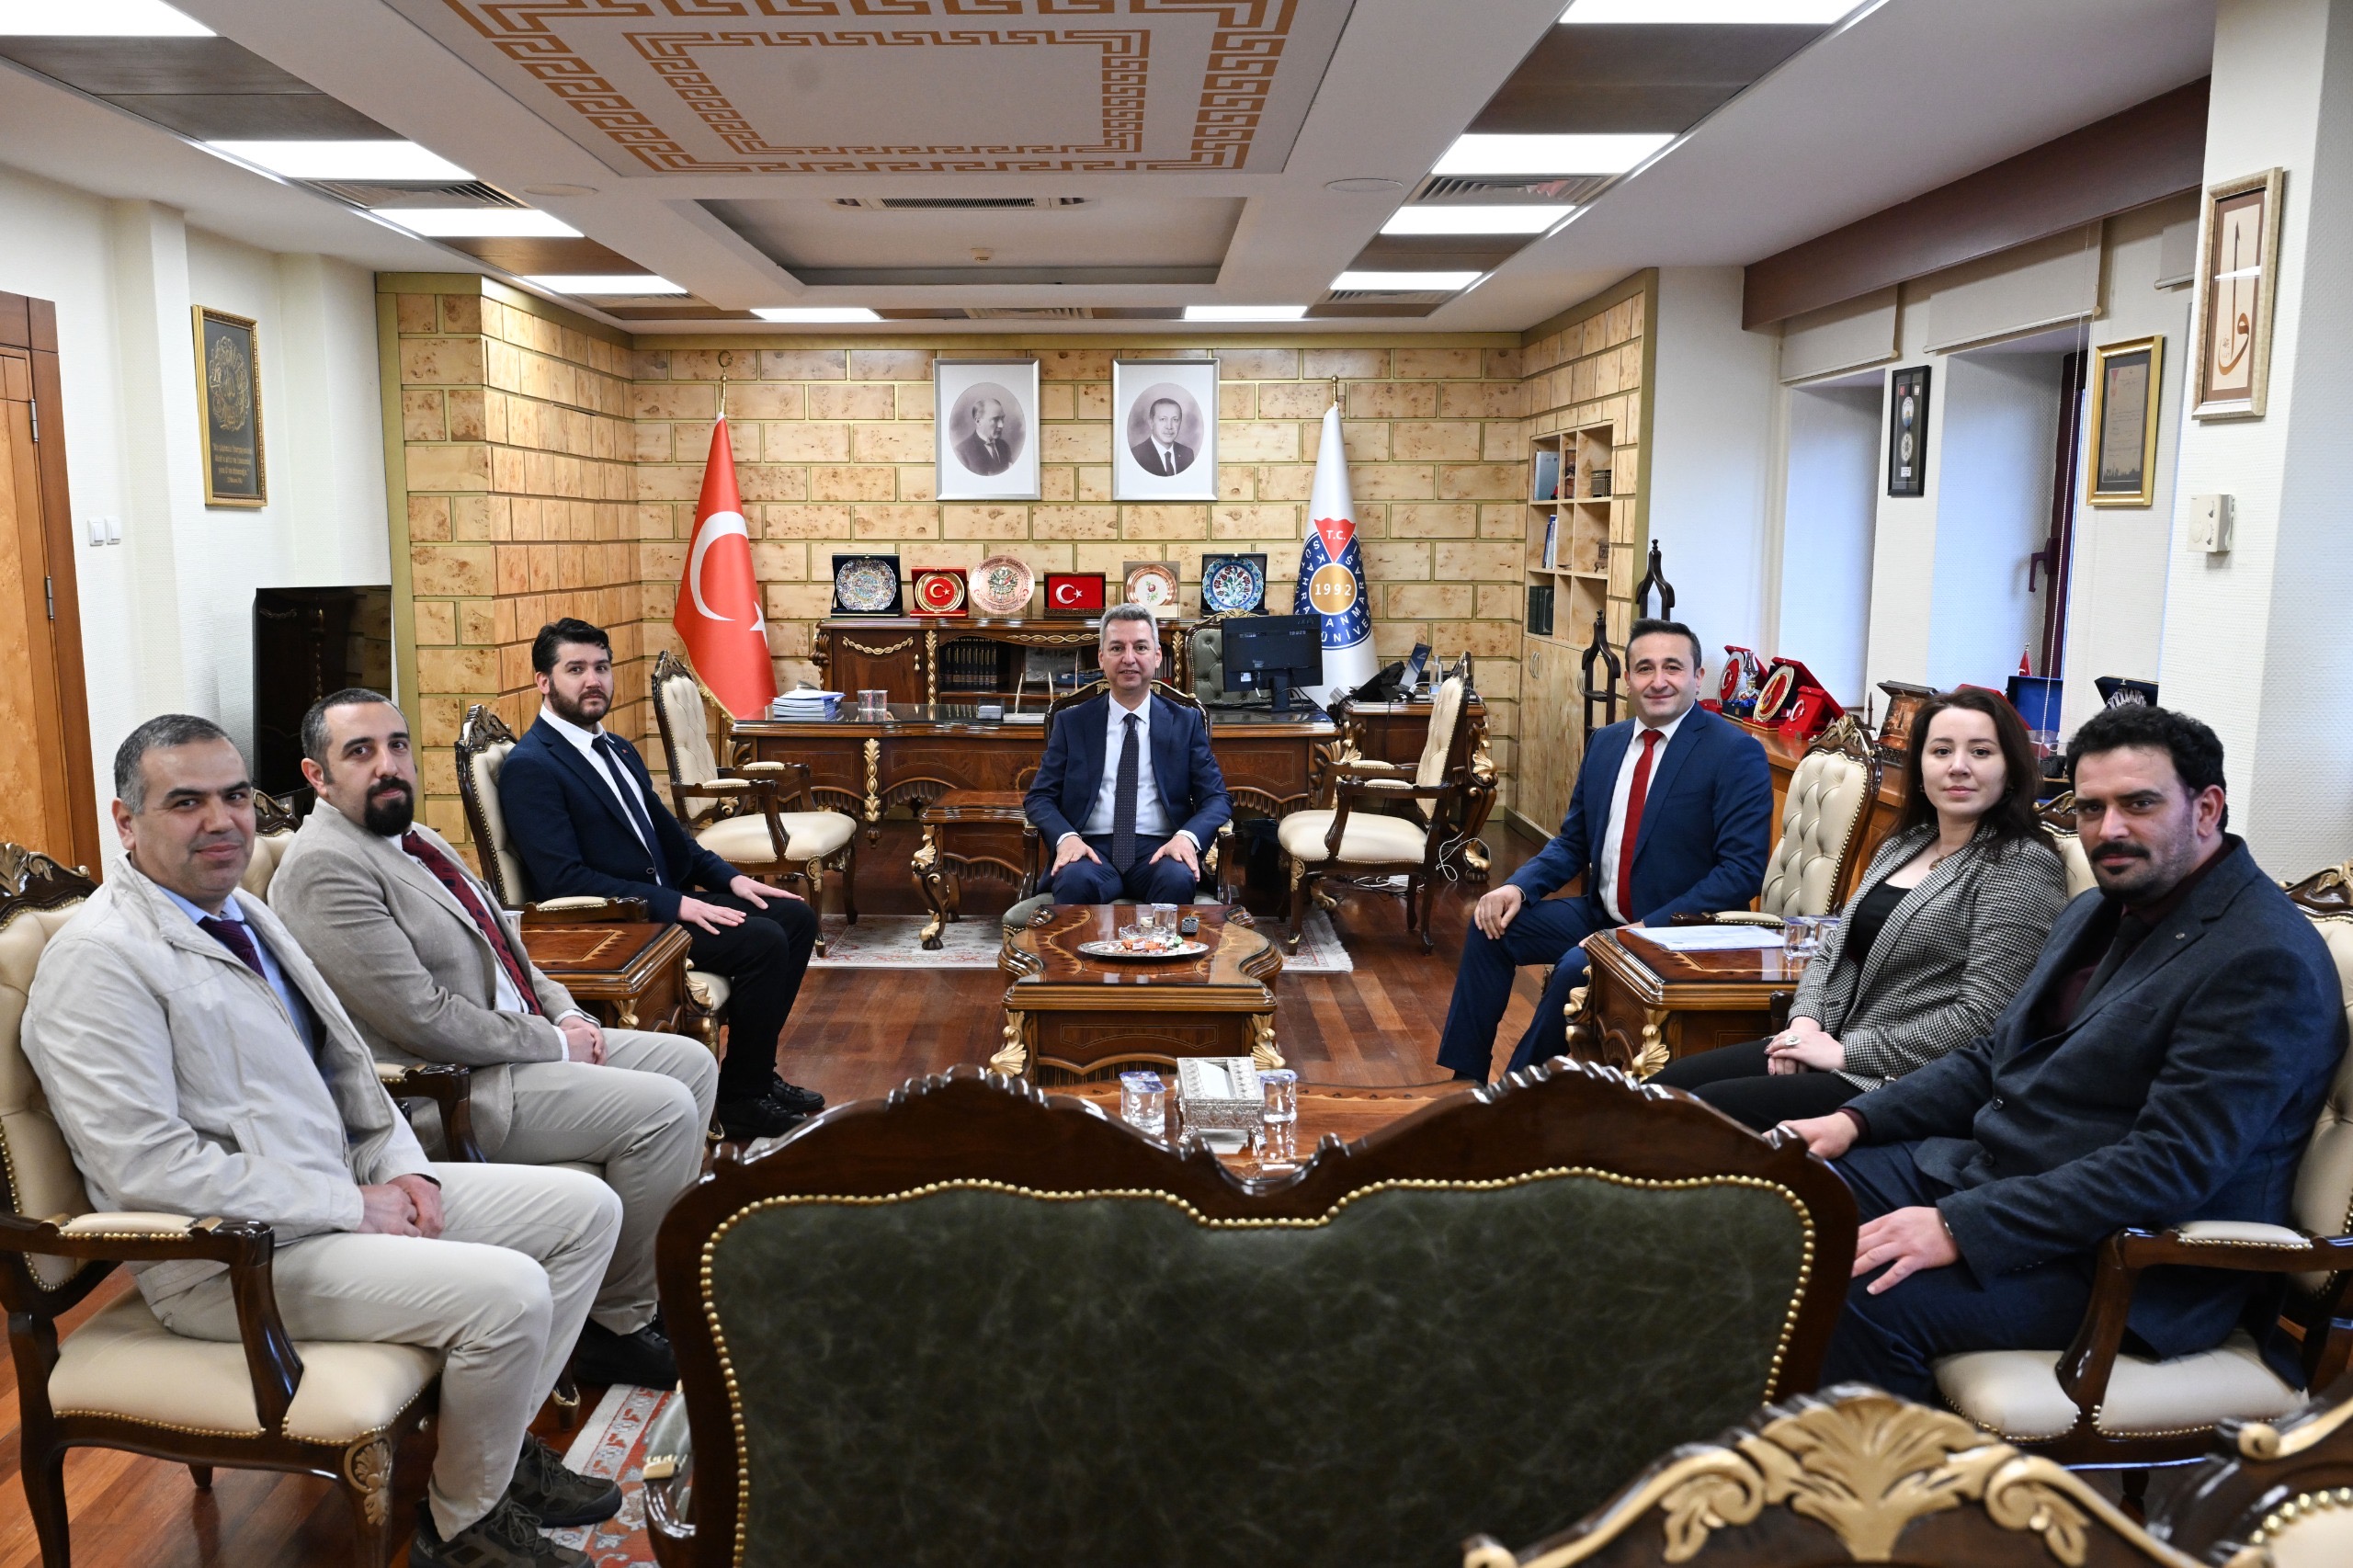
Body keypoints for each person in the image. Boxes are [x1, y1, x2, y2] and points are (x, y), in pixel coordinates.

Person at [24, 715, 624, 1568]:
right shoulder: (100, 961)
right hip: (230, 1261)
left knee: (585, 1213)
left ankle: (489, 1457)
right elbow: (146, 1167)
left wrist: (405, 1172)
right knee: (511, 1294)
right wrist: (351, 1203)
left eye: (235, 796)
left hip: (329, 1196)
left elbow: (346, 1069)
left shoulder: (241, 912)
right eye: (186, 803)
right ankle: (463, 1530)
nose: (222, 821)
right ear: (126, 822)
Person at [1781, 706, 2343, 1402]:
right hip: (1995, 1173)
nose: (2110, 829)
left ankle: (1905, 1471)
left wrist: (1960, 1226)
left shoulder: (2261, 958)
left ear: (2207, 808)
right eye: (2092, 807)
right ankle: (1751, 1435)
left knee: (1855, 1294)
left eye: (2139, 804)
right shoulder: (2097, 909)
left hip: (2128, 1260)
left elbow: (2168, 1165)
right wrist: (1855, 1121)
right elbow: (1993, 1057)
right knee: (1783, 1199)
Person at [271, 688, 719, 1389]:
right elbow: (422, 1019)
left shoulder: (417, 838)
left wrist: (568, 1016)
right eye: (360, 752)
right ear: (317, 775)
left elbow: (510, 950)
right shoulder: (324, 867)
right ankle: (614, 1326)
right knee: (661, 1111)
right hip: (454, 1085)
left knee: (690, 1064)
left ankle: (633, 1288)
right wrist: (553, 1044)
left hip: (519, 1042)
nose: (388, 765)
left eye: (396, 745)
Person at [1652, 688, 2068, 1130]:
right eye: (1941, 751)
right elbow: (1834, 949)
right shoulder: (1906, 845)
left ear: (2011, 769)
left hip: (1903, 1081)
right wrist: (1805, 1025)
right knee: (1663, 1089)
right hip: (1828, 1039)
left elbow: (1983, 1017)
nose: (1958, 766)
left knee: (1695, 1115)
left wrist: (1844, 1053)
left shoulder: (2020, 863)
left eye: (1981, 752)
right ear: (1920, 768)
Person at [498, 619, 821, 1143]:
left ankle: (753, 1074)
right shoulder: (532, 766)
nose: (593, 681)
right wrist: (676, 905)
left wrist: (733, 880)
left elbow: (674, 842)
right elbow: (562, 879)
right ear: (543, 681)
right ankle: (742, 1097)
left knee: (793, 917)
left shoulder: (618, 748)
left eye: (601, 668)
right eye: (575, 669)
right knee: (761, 941)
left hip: (657, 905)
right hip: (611, 926)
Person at [1436, 619, 1772, 1082]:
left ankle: (1514, 1095)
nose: (1658, 681)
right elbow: (1574, 842)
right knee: (1490, 925)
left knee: (1577, 966)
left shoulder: (1734, 752)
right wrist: (1518, 887)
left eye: (1673, 667)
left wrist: (1642, 931)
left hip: (1679, 933)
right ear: (1628, 679)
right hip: (1603, 915)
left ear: (1698, 677)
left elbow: (1741, 872)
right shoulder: (1607, 744)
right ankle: (1465, 1081)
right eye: (1645, 668)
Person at [1025, 603, 1232, 905]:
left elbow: (1217, 798)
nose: (1129, 658)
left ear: (1157, 656)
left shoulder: (1184, 722)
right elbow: (1039, 797)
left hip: (1160, 849)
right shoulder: (1072, 722)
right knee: (1074, 879)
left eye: (1141, 647)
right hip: (1090, 849)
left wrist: (1186, 838)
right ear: (1101, 657)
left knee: (1176, 877)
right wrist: (1066, 838)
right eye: (1117, 648)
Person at [1130, 396, 1195, 476]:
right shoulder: (1137, 455)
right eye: (1163, 419)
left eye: (1175, 420)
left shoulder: (1187, 454)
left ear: (1180, 423)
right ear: (1151, 423)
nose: (1169, 426)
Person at [955, 395, 1015, 475]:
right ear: (978, 421)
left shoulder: (1004, 446)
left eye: (1002, 418)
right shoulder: (961, 452)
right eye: (995, 419)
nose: (1001, 425)